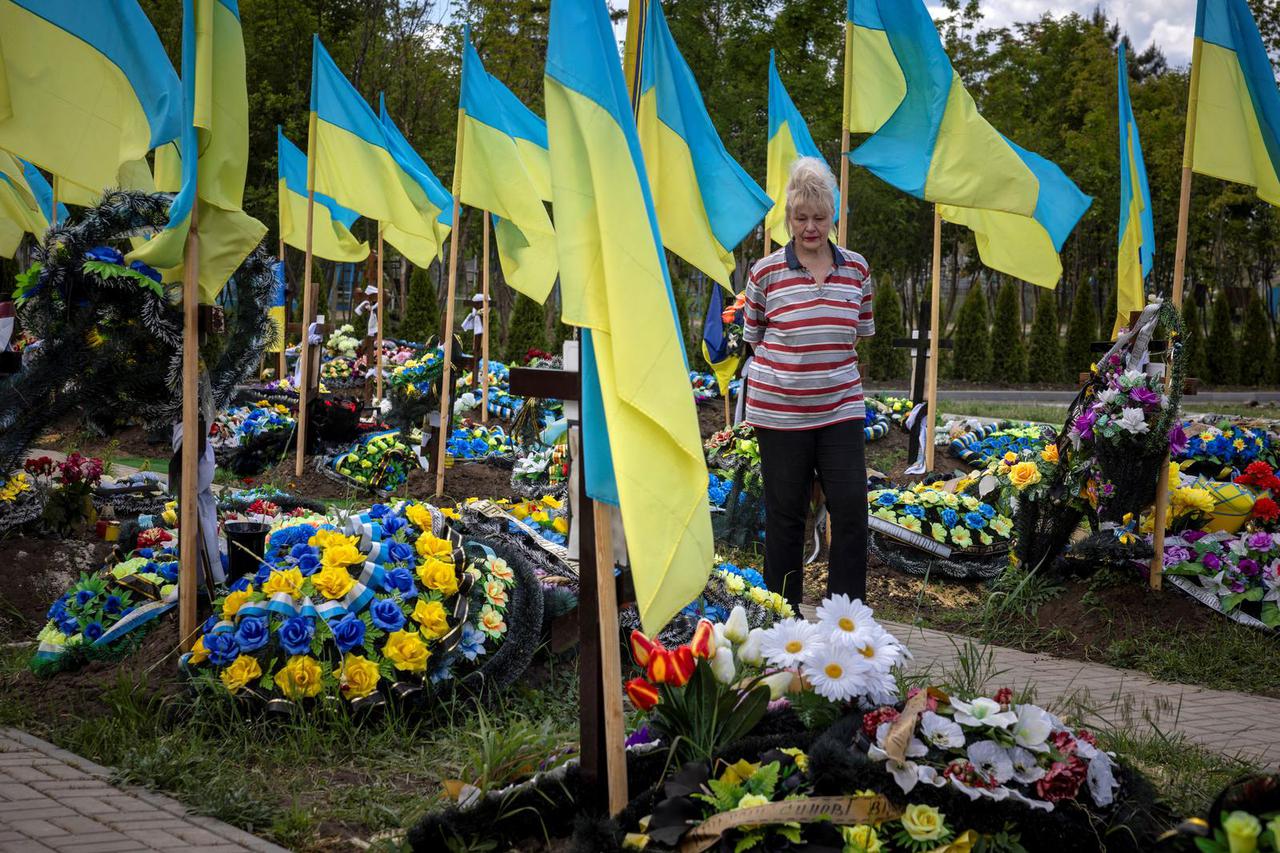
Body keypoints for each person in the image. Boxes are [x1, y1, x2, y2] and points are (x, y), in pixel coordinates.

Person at [742, 157, 874, 606]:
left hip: (840, 408)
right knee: (785, 517)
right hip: (779, 413)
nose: (811, 227)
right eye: (802, 218)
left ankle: (847, 623)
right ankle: (782, 619)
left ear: (832, 216)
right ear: (788, 218)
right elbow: (754, 337)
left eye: (820, 217)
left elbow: (859, 332)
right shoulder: (764, 273)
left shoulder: (857, 270)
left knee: (852, 510)